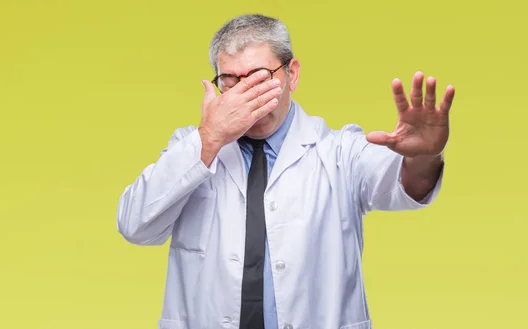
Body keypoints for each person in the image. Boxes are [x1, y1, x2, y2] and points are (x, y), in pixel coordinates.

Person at [116, 13, 454, 329]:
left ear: (291, 74)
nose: (247, 94)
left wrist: (425, 155)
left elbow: (406, 184)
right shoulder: (193, 149)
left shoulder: (338, 152)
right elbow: (135, 225)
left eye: (261, 78)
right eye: (231, 82)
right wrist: (209, 138)